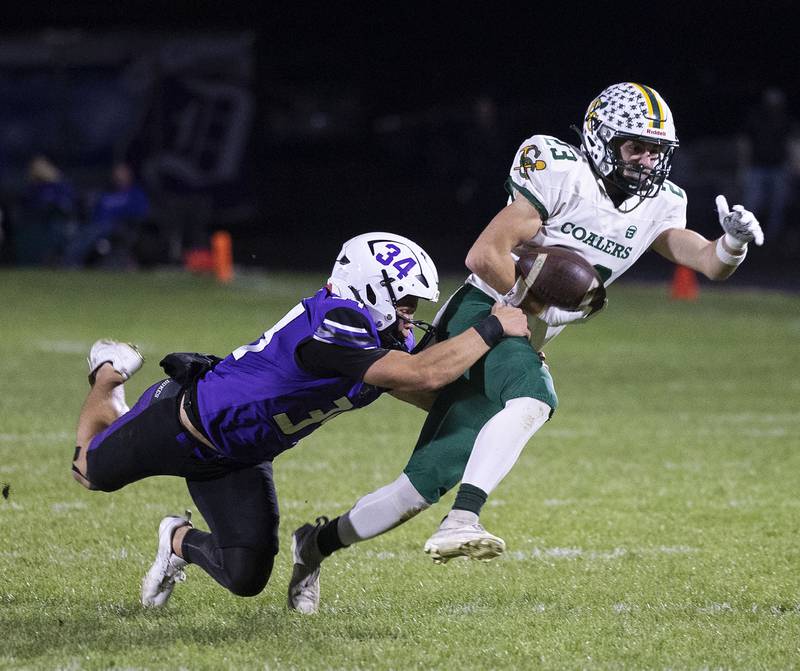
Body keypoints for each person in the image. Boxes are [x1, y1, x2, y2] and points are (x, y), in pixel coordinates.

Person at [288, 82, 765, 614]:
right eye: (635, 147)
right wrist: (539, 304)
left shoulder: (662, 203)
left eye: (656, 150)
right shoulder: (562, 171)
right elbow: (484, 254)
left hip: (524, 329)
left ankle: (313, 546)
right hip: (486, 310)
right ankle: (463, 518)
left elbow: (706, 261)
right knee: (536, 397)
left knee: (415, 489)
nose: (647, 161)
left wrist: (733, 243)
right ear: (601, 139)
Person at [69, 231, 529, 608]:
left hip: (241, 458)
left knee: (245, 576)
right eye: (406, 305)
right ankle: (109, 373)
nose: (410, 320)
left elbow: (427, 392)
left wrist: (506, 389)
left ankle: (176, 539)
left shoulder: (377, 339)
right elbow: (422, 374)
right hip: (182, 425)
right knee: (87, 471)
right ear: (373, 289)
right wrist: (492, 327)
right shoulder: (335, 321)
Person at [63, 161, 150, 267]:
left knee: (95, 230)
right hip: (96, 225)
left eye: (121, 174)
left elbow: (142, 212)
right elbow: (94, 212)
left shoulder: (135, 194)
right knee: (77, 228)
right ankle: (70, 260)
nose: (118, 177)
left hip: (118, 226)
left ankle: (71, 260)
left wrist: (122, 220)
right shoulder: (107, 193)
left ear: (129, 175)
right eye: (116, 174)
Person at [740, 87, 796, 247]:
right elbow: (745, 143)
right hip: (756, 166)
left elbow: (790, 143)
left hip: (778, 166)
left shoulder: (785, 120)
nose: (773, 105)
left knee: (778, 204)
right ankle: (745, 236)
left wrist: (793, 165)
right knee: (752, 204)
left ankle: (772, 238)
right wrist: (743, 166)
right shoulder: (755, 118)